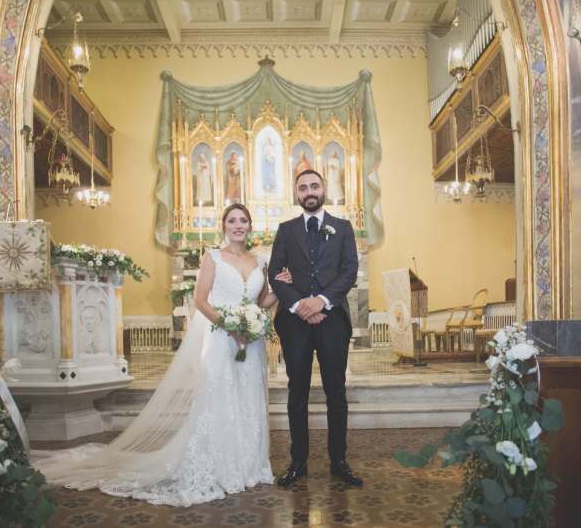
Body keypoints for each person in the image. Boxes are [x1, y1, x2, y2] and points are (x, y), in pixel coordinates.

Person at [33, 204, 293, 507]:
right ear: (223, 225)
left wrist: (279, 290)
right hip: (223, 340)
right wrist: (230, 327)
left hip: (251, 342)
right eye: (232, 220)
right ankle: (221, 466)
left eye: (243, 221)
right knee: (220, 401)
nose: (238, 225)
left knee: (249, 401)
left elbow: (261, 302)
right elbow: (199, 299)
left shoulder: (260, 261)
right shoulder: (213, 258)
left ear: (250, 226)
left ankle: (249, 465)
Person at [268, 169, 363, 487]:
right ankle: (298, 462)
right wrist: (299, 306)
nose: (309, 191)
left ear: (324, 190)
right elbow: (275, 274)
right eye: (303, 187)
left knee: (336, 392)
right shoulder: (285, 230)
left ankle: (339, 461)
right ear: (296, 194)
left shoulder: (343, 228)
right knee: (297, 392)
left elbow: (349, 270)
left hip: (333, 319)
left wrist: (321, 301)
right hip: (295, 323)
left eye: (314, 186)